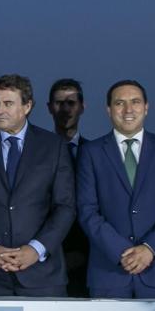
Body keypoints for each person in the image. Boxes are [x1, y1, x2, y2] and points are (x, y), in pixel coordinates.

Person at [0, 74, 75, 297]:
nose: (0, 110)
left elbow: (65, 207)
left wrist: (35, 250)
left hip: (41, 277)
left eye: (8, 103)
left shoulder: (53, 146)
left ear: (27, 106)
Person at [75, 79, 155, 298]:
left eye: (135, 102)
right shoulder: (91, 152)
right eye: (120, 103)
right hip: (109, 273)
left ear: (146, 107)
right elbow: (87, 210)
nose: (128, 109)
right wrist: (121, 252)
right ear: (108, 110)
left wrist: (149, 249)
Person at [46, 78, 90, 296]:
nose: (65, 109)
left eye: (71, 103)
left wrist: (83, 252)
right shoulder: (36, 154)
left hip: (90, 258)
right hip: (45, 257)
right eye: (59, 103)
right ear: (49, 108)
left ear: (82, 107)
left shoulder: (98, 153)